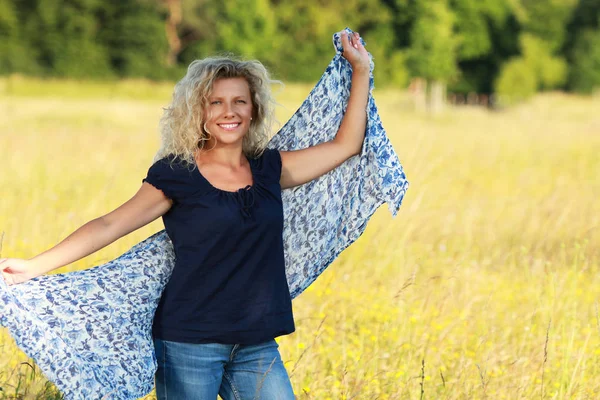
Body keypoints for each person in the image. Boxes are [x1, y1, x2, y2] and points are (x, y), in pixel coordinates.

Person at [0, 31, 370, 399]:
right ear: (199, 112)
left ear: (253, 109)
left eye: (240, 101)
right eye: (216, 103)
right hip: (189, 344)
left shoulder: (270, 169)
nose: (229, 112)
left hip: (256, 343)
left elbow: (347, 144)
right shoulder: (177, 174)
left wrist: (362, 70)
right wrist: (35, 266)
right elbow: (109, 224)